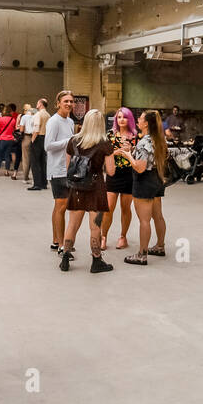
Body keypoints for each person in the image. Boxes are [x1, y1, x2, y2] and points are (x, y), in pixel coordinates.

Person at [58, 109, 116, 273]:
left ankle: (65, 258)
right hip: (96, 188)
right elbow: (111, 172)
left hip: (76, 188)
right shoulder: (105, 144)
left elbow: (69, 166)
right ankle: (96, 261)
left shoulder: (73, 141)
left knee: (72, 224)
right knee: (95, 226)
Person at [124, 109, 169, 266]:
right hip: (157, 179)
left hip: (145, 182)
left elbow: (140, 167)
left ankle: (142, 255)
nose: (138, 120)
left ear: (146, 124)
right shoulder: (159, 140)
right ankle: (160, 246)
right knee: (158, 216)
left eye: (141, 118)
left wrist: (127, 154)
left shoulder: (144, 143)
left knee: (144, 220)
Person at [102, 106, 138, 250]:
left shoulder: (135, 135)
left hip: (129, 173)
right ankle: (103, 236)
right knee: (108, 207)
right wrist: (118, 151)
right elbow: (105, 153)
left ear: (129, 119)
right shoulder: (110, 134)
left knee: (125, 208)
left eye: (124, 117)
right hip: (113, 173)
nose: (121, 119)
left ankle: (123, 237)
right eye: (119, 117)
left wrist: (131, 150)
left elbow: (139, 157)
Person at [45, 91, 77, 251]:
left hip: (68, 168)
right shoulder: (53, 121)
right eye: (66, 101)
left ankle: (56, 240)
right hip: (57, 169)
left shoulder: (70, 121)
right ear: (58, 103)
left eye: (71, 101)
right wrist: (69, 141)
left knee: (61, 206)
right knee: (61, 205)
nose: (69, 104)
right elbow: (48, 145)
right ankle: (62, 244)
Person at [0, 103, 18, 177]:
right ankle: (6, 171)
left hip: (2, 139)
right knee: (7, 155)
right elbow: (14, 129)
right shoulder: (13, 120)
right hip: (10, 139)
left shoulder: (1, 119)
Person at [28, 98, 49, 190]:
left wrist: (32, 140)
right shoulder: (48, 115)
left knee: (35, 162)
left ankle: (37, 184)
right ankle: (44, 183)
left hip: (38, 137)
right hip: (45, 138)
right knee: (42, 161)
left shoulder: (38, 114)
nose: (36, 104)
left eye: (37, 103)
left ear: (40, 104)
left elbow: (36, 128)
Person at [19, 101, 37, 186]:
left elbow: (21, 129)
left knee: (26, 159)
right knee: (34, 158)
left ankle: (25, 178)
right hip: (35, 137)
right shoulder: (36, 116)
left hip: (26, 137)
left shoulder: (24, 117)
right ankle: (35, 178)